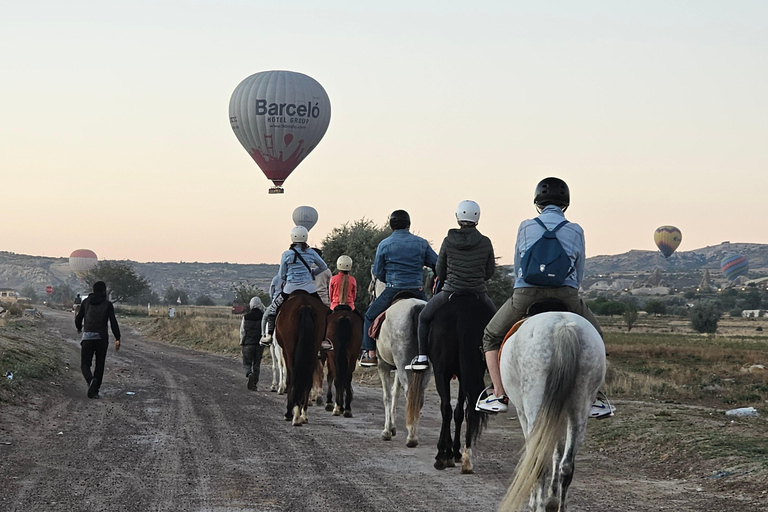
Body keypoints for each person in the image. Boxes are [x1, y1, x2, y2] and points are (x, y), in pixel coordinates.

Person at [479, 177, 613, 418]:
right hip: (566, 294)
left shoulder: (526, 226)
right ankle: (595, 397)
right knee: (597, 337)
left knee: (491, 335)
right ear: (566, 203)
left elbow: (519, 266)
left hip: (526, 293)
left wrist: (522, 288)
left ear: (538, 202)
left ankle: (498, 393)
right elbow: (579, 270)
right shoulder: (575, 229)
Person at [406, 200, 496, 371]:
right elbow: (489, 271)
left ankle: (423, 357)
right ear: (478, 218)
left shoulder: (448, 241)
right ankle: (496, 360)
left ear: (457, 218)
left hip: (449, 292)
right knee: (497, 324)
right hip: (478, 293)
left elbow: (440, 269)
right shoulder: (485, 242)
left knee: (424, 317)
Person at [360, 210, 438, 367]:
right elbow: (436, 263)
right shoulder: (421, 243)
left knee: (369, 316)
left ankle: (370, 354)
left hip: (393, 289)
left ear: (391, 225)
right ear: (409, 224)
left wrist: (388, 279)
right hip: (417, 290)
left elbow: (378, 272)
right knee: (434, 319)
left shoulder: (384, 244)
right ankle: (435, 354)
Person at [261, 226, 328, 345]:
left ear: (292, 238)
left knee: (273, 308)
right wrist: (312, 273)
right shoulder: (311, 252)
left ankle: (269, 335)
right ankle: (323, 340)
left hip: (290, 287)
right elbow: (323, 267)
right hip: (309, 287)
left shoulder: (287, 254)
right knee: (322, 310)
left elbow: (281, 275)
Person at [74, 281, 120, 399]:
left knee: (85, 364)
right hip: (102, 338)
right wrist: (117, 337)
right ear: (104, 291)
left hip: (87, 337)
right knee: (100, 365)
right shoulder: (107, 304)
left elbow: (78, 319)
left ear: (93, 290)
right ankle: (95, 390)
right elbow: (113, 322)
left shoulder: (86, 302)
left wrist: (79, 328)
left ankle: (90, 381)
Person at [240, 296, 265, 391]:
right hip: (259, 344)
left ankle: (249, 373)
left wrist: (242, 341)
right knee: (257, 364)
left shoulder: (246, 317)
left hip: (248, 344)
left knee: (247, 363)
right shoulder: (263, 316)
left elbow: (242, 331)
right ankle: (254, 383)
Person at [260, 273, 283, 346]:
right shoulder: (291, 278)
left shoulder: (276, 278)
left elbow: (271, 292)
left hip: (277, 302)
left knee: (265, 317)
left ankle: (264, 335)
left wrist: (272, 300)